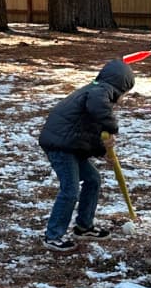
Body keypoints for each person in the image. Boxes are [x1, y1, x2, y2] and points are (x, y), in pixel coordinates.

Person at [37, 58, 135, 252]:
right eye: (125, 93)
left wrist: (102, 149)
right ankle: (53, 235)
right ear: (120, 86)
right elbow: (99, 111)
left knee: (93, 179)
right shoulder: (101, 91)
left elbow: (87, 131)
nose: (123, 98)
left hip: (70, 145)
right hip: (60, 146)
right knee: (70, 190)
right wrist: (112, 128)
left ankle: (84, 226)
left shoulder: (95, 91)